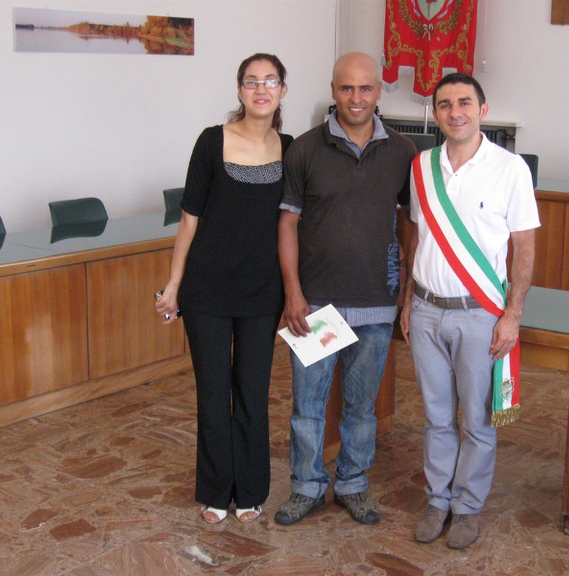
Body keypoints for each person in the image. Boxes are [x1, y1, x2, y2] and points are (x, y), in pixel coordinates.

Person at [274, 52, 416, 526]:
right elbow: (287, 224)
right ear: (333, 90)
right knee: (307, 407)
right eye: (347, 88)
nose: (356, 98)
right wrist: (293, 293)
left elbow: (410, 222)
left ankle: (353, 484)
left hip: (376, 303)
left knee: (361, 409)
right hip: (316, 305)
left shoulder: (401, 151)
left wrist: (405, 283)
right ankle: (307, 487)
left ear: (378, 91)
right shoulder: (305, 150)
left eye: (366, 88)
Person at [400, 73, 540, 549]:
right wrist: (407, 300)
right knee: (437, 417)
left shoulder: (510, 169)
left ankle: (467, 507)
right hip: (425, 310)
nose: (454, 112)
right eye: (444, 104)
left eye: (464, 102)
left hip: (480, 315)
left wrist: (512, 315)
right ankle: (438, 499)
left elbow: (524, 247)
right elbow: (416, 235)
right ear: (435, 113)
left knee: (478, 422)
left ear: (482, 109)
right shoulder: (421, 166)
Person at [155, 53, 292, 525]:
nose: (261, 89)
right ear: (239, 90)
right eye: (252, 81)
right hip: (207, 291)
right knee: (213, 394)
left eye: (270, 81)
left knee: (252, 393)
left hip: (262, 294)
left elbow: (294, 226)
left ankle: (250, 490)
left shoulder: (291, 148)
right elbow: (188, 221)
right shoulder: (212, 142)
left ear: (282, 91)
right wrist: (173, 285)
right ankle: (216, 492)